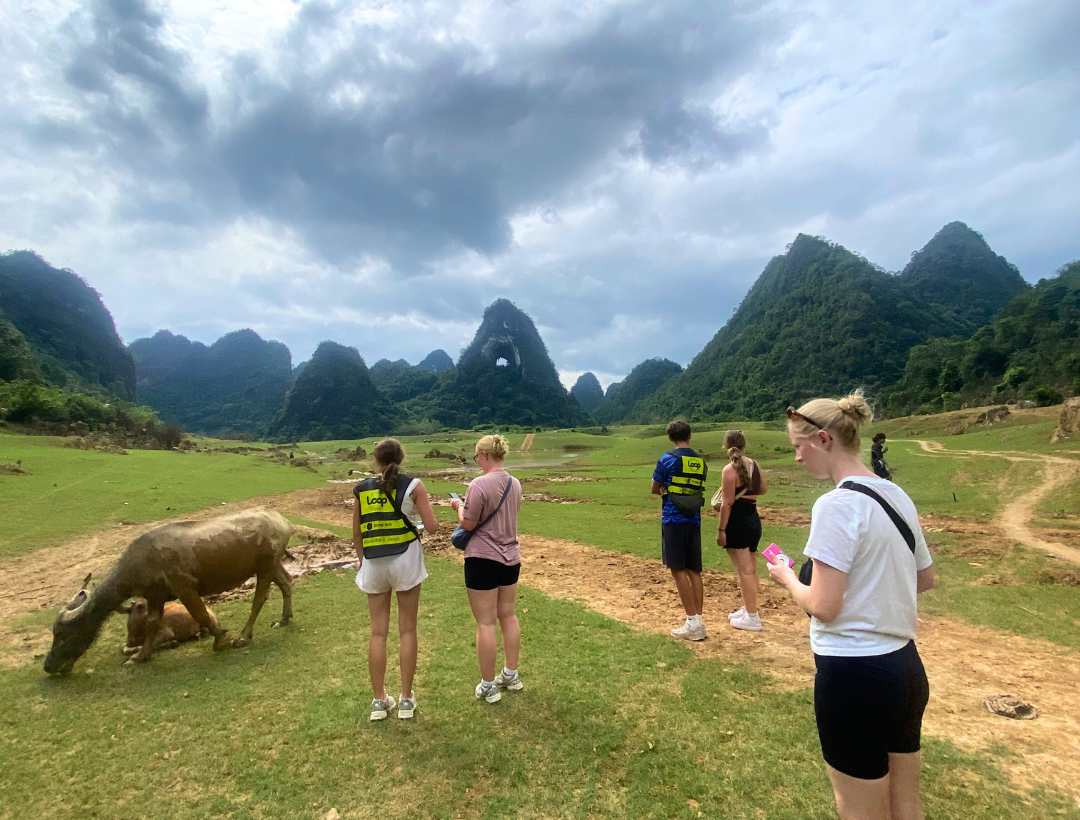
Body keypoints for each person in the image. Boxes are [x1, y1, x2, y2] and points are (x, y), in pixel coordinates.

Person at [767, 393, 935, 820]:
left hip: (854, 675)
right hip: (905, 669)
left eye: (799, 447)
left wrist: (787, 577)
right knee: (905, 803)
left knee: (860, 810)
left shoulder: (836, 504)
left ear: (823, 440)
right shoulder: (896, 495)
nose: (797, 457)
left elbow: (823, 606)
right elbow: (924, 579)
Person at [353, 438, 439, 721]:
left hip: (374, 562)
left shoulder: (362, 489)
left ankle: (379, 701)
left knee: (378, 632)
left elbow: (357, 533)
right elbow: (432, 526)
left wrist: (363, 561)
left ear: (376, 460)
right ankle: (405, 699)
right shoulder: (414, 486)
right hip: (406, 561)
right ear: (401, 458)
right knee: (407, 630)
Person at [449, 434, 524, 704]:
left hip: (482, 558)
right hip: (511, 558)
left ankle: (488, 685)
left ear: (484, 456)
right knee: (508, 615)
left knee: (485, 622)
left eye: (476, 457)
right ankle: (511, 675)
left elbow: (468, 523)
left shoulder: (479, 484)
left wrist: (458, 506)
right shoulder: (515, 483)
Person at [651, 420, 709, 640]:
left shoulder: (666, 460)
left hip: (673, 519)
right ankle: (698, 621)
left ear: (670, 438)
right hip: (694, 519)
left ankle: (692, 623)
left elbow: (654, 488)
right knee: (694, 570)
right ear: (690, 435)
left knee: (677, 569)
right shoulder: (701, 462)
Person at [716, 430, 769, 631]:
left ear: (726, 445)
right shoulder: (754, 464)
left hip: (737, 520)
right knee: (750, 568)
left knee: (744, 571)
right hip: (753, 517)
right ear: (744, 445)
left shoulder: (729, 470)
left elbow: (727, 504)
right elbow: (762, 489)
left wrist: (722, 529)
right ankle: (749, 608)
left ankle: (753, 617)